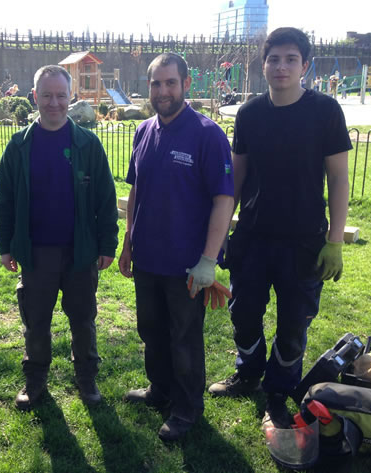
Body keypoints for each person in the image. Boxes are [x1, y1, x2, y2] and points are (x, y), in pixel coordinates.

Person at [208, 27, 351, 428]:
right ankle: (249, 373)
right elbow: (234, 182)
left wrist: (334, 241)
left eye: (291, 59)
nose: (281, 67)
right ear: (264, 64)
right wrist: (219, 237)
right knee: (243, 313)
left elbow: (338, 179)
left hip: (304, 241)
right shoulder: (250, 114)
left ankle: (280, 386)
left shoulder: (325, 112)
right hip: (253, 237)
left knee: (294, 321)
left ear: (305, 65)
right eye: (274, 59)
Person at [119, 52, 234, 441]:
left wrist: (208, 260)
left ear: (186, 84)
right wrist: (128, 241)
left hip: (187, 265)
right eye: (156, 83)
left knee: (184, 337)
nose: (163, 91)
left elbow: (223, 200)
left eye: (170, 82)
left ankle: (186, 408)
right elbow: (136, 190)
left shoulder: (207, 134)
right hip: (148, 258)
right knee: (151, 329)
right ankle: (160, 389)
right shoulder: (143, 130)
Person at [0, 65, 118, 410]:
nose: (54, 103)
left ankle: (87, 379)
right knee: (36, 322)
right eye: (46, 95)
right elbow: (3, 200)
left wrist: (107, 245)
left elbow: (106, 199)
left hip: (80, 252)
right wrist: (5, 246)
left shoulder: (87, 144)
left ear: (70, 97)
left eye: (61, 95)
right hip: (35, 254)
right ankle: (35, 382)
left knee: (83, 318)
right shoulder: (19, 146)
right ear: (34, 97)